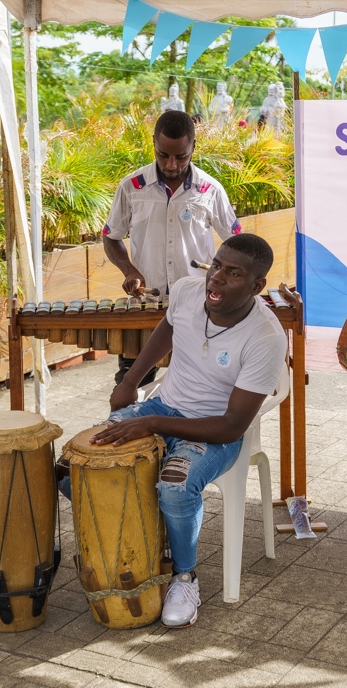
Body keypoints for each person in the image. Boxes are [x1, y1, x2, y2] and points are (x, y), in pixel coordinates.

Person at [91, 234, 288, 628]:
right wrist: (131, 381)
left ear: (256, 286)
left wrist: (149, 422)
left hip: (214, 431)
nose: (216, 278)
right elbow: (167, 328)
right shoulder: (186, 290)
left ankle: (185, 576)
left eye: (233, 274)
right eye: (217, 265)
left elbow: (232, 425)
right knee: (90, 460)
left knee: (175, 485)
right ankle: (133, 550)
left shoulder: (265, 338)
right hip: (162, 405)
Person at [102, 110, 241, 385]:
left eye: (181, 156)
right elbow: (111, 235)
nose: (172, 164)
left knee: (201, 387)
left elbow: (236, 242)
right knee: (131, 385)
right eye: (164, 155)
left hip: (199, 307)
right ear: (154, 142)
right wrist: (129, 270)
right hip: (147, 304)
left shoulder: (210, 190)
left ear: (193, 147)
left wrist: (223, 275)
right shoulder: (131, 187)